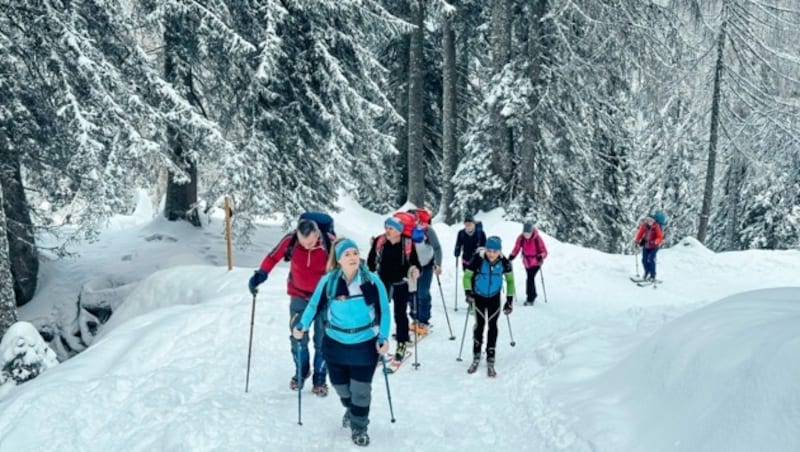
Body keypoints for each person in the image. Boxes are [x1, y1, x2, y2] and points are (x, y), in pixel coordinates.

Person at [292, 238, 391, 447]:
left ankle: (359, 427)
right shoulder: (329, 282)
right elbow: (313, 306)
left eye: (355, 253)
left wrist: (383, 337)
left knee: (361, 390)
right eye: (347, 254)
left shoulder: (371, 280)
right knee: (341, 388)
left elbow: (384, 310)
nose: (353, 257)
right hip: (335, 343)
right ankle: (351, 408)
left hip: (365, 343)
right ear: (338, 260)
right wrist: (302, 325)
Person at [248, 218, 332, 395]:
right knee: (298, 338)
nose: (307, 246)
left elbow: (347, 260)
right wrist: (261, 275)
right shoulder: (291, 240)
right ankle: (301, 371)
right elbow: (273, 257)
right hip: (299, 296)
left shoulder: (329, 241)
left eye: (310, 243)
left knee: (323, 340)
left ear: (317, 234)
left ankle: (320, 378)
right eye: (304, 243)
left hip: (324, 299)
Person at [367, 217, 421, 362]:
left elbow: (415, 262)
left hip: (401, 283)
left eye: (390, 228)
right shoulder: (380, 241)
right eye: (386, 228)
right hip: (382, 282)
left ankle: (402, 343)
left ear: (399, 231)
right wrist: (368, 275)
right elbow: (371, 260)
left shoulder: (407, 243)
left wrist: (416, 270)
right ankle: (378, 343)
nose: (387, 231)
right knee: (378, 313)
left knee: (400, 314)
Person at [462, 236, 515, 377]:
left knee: (493, 326)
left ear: (499, 251)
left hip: (494, 298)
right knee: (479, 326)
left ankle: (491, 354)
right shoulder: (478, 259)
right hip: (478, 298)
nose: (491, 254)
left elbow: (510, 282)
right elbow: (467, 277)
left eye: (495, 251)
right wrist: (468, 292)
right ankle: (476, 354)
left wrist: (509, 300)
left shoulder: (505, 262)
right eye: (489, 250)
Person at [408, 208, 442, 336]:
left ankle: (424, 320)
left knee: (422, 292)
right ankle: (414, 318)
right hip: (411, 267)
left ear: (417, 219)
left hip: (427, 264)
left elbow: (437, 248)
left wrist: (438, 264)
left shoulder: (427, 230)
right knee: (411, 293)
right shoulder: (404, 231)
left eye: (413, 219)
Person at [508, 223, 548, 305]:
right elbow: (517, 248)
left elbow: (544, 251)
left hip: (536, 262)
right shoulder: (521, 238)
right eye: (525, 233)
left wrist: (541, 256)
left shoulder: (537, 239)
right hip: (527, 262)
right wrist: (512, 255)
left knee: (530, 278)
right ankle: (533, 294)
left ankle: (530, 298)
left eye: (528, 234)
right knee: (530, 278)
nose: (526, 235)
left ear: (531, 232)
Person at [633, 213, 664, 281]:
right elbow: (640, 233)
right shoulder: (644, 226)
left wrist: (656, 241)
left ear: (654, 221)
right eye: (648, 220)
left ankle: (652, 276)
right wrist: (637, 241)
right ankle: (647, 272)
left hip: (654, 246)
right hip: (646, 245)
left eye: (651, 220)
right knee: (644, 260)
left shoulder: (656, 227)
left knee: (651, 260)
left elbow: (660, 237)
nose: (649, 222)